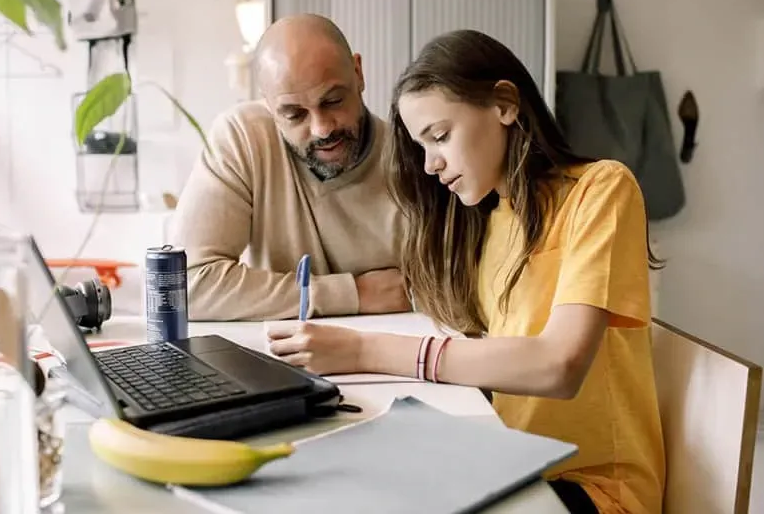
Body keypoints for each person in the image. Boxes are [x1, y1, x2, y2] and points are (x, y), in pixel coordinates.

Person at [266, 29, 666, 514]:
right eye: (421, 147)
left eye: (439, 136)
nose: (432, 164)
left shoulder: (600, 190)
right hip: (512, 463)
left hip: (594, 488)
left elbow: (559, 366)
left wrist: (366, 349)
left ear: (504, 105)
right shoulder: (489, 217)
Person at [167, 14, 411, 321]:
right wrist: (354, 294)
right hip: (276, 359)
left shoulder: (418, 162)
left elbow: (454, 291)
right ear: (268, 105)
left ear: (358, 74)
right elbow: (182, 286)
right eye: (295, 115)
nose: (322, 128)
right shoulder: (244, 137)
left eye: (333, 100)